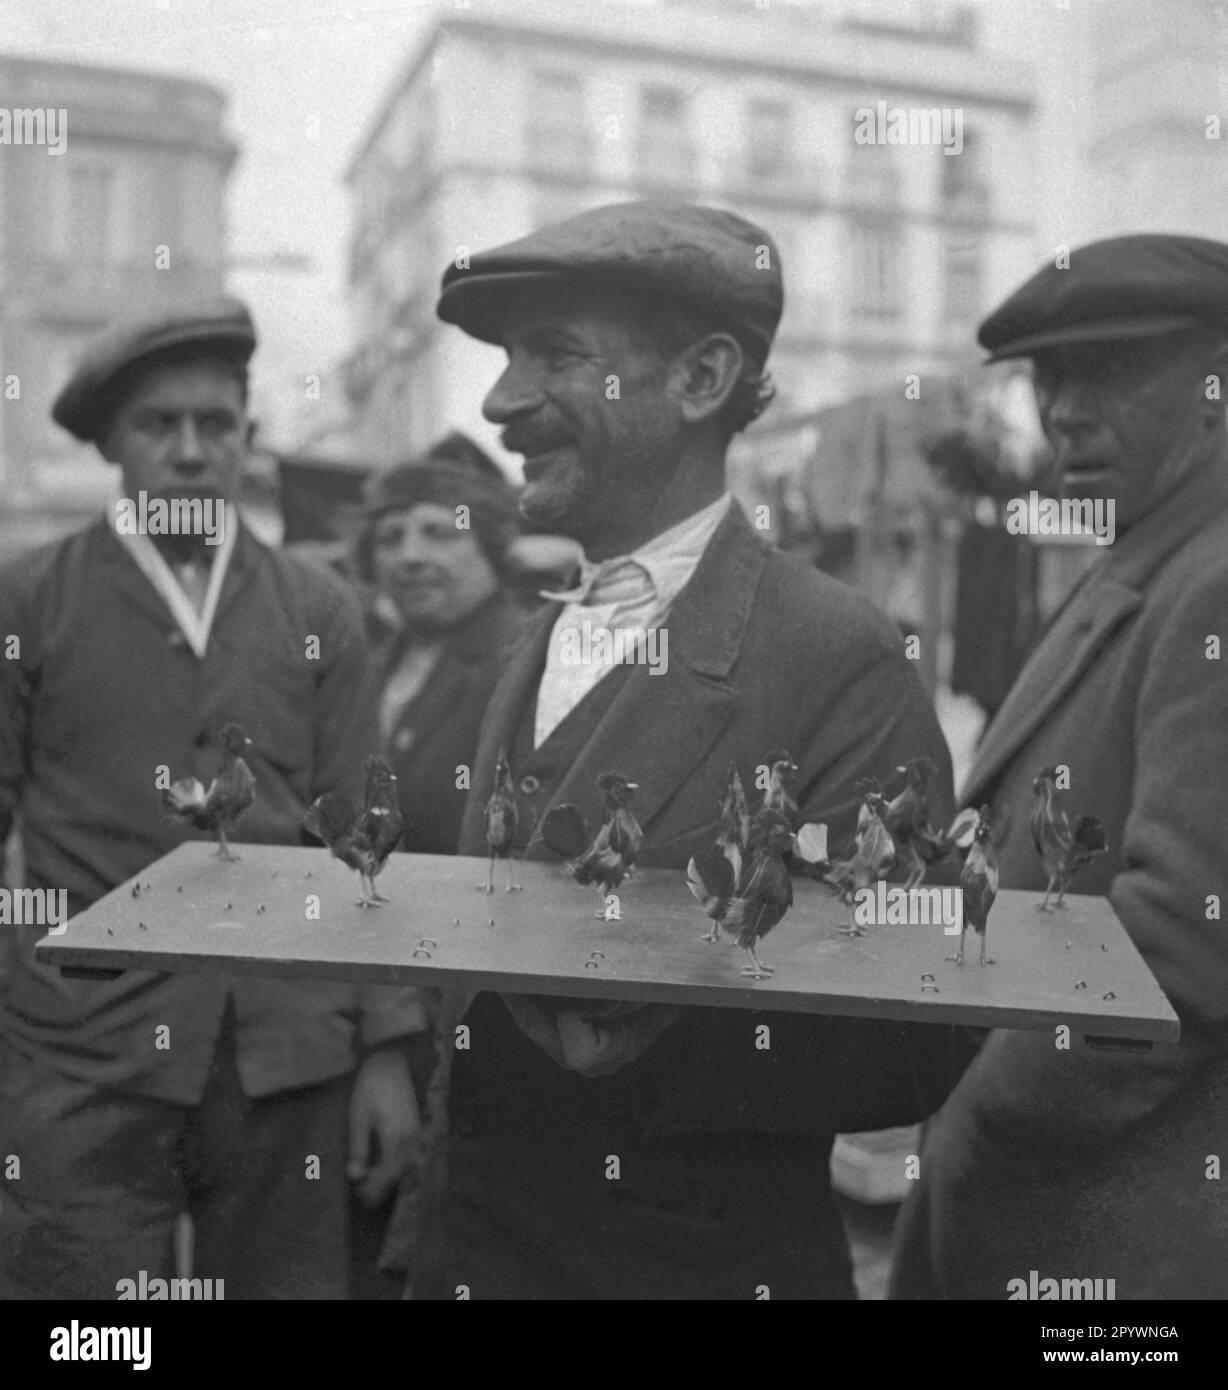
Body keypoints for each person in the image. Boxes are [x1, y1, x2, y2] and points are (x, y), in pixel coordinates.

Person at [413, 200, 970, 1300]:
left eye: (554, 355)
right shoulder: (532, 642)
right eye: (505, 360)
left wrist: (640, 1033)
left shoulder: (836, 653)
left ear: (703, 378)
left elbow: (924, 1025)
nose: (500, 402)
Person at [0, 298, 424, 1299]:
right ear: (113, 445)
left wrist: (387, 1049)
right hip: (82, 1056)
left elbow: (367, 840)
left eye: (217, 424)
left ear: (248, 438)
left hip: (286, 1054)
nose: (190, 451)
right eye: (159, 426)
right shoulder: (31, 600)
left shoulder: (321, 610)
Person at [891, 234, 1228, 1300]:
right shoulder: (1145, 556)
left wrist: (984, 1114)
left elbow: (1179, 941)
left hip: (1117, 1219)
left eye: (1114, 371)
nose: (1067, 410)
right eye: (1049, 377)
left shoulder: (1209, 581)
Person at [354, 433, 522, 855]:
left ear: (491, 548)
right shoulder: (367, 663)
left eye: (440, 533)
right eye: (390, 537)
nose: (410, 555)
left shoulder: (521, 660)